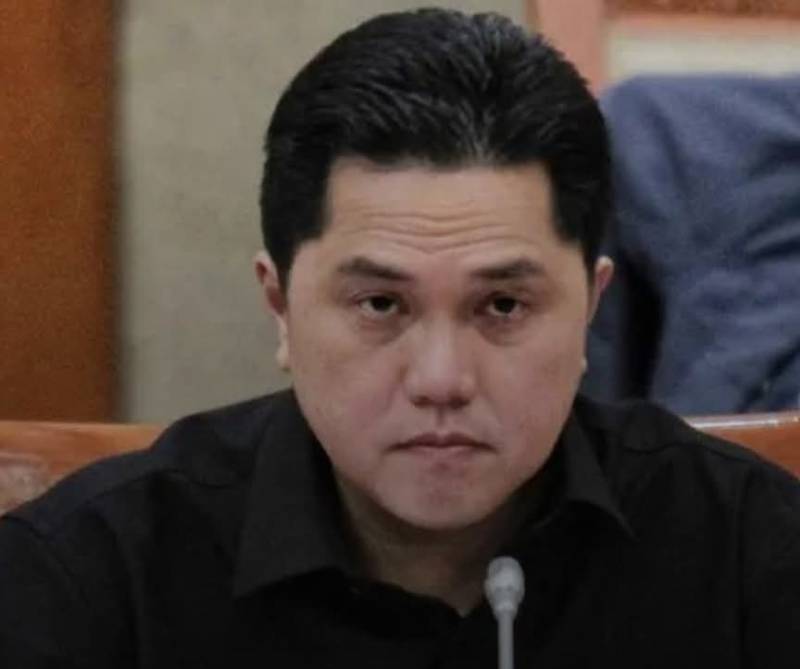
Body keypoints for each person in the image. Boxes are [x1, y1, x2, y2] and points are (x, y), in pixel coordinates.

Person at [1, 8, 798, 668]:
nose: (442, 379)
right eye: (381, 303)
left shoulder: (750, 551)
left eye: (503, 305)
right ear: (279, 306)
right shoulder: (86, 578)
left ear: (590, 305)